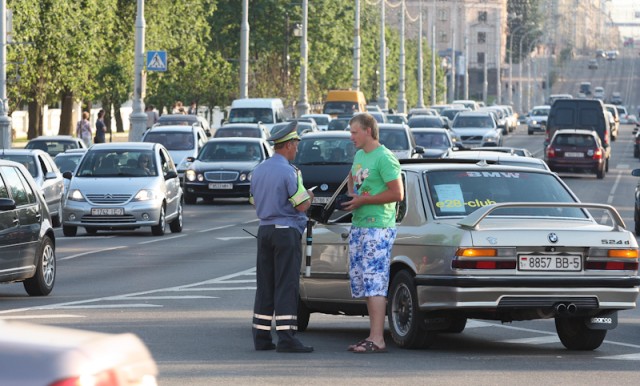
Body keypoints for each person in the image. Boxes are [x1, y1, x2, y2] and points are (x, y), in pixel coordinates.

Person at [249, 121, 315, 353]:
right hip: (285, 232)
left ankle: (262, 337)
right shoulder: (290, 172)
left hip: (264, 230)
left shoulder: (259, 170)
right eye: (295, 145)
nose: (296, 150)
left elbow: (254, 201)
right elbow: (301, 205)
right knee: (286, 284)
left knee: (265, 284)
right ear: (287, 146)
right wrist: (310, 196)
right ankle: (287, 338)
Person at [342, 113, 403, 354]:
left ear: (368, 131)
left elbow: (398, 194)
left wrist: (365, 200)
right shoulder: (359, 155)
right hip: (359, 225)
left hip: (378, 227)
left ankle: (378, 339)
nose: (351, 137)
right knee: (365, 282)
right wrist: (352, 196)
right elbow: (352, 179)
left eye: (354, 132)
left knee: (375, 281)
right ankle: (372, 335)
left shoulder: (385, 158)